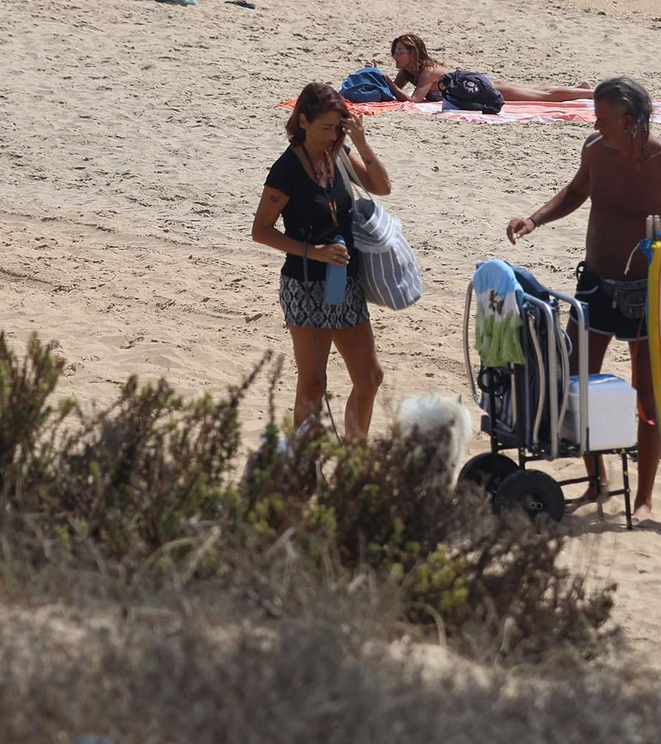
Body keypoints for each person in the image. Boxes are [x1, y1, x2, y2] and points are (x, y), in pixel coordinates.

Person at [505, 76, 661, 521]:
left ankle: (645, 497)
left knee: (648, 399)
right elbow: (576, 192)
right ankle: (597, 482)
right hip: (595, 286)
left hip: (648, 293)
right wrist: (535, 219)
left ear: (629, 121)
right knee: (577, 383)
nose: (595, 123)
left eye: (603, 117)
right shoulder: (596, 149)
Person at [252, 82, 392, 440]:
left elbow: (381, 186)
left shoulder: (340, 154)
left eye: (337, 128)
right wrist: (312, 251)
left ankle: (352, 459)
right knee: (314, 385)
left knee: (370, 376)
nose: (331, 136)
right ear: (302, 121)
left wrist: (359, 142)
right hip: (305, 286)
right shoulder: (286, 170)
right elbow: (262, 231)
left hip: (345, 282)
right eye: (325, 128)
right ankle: (302, 466)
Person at [378, 33, 594, 104]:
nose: (395, 56)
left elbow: (413, 101)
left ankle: (593, 93)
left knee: (542, 96)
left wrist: (386, 80)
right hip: (473, 88)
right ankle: (579, 87)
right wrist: (375, 76)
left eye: (399, 52)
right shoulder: (407, 73)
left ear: (413, 53)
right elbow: (391, 95)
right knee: (536, 90)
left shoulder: (428, 71)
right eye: (395, 51)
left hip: (482, 86)